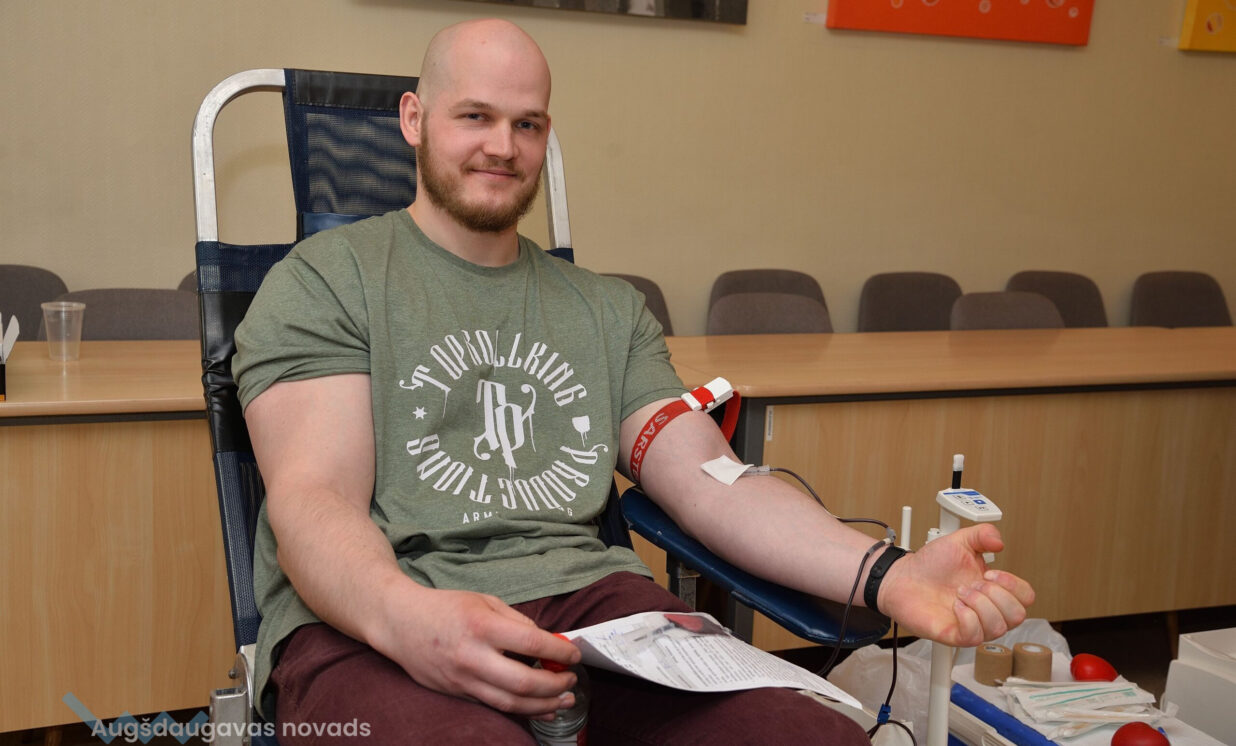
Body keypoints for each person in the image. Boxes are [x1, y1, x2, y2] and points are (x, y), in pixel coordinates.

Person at [233, 18, 1035, 745]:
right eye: (474, 116)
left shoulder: (606, 311)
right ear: (414, 119)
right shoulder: (327, 280)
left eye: (527, 124)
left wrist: (888, 573)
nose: (502, 146)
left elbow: (712, 484)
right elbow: (315, 500)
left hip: (592, 615)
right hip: (375, 616)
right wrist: (405, 619)